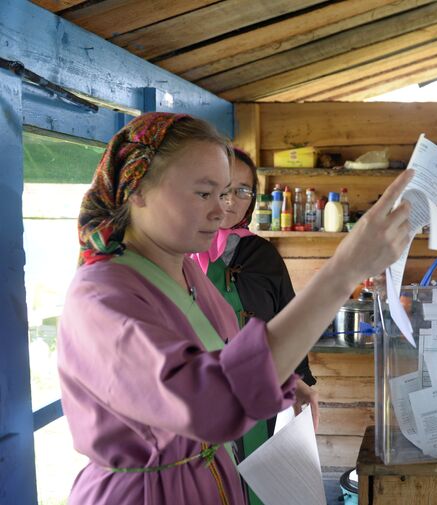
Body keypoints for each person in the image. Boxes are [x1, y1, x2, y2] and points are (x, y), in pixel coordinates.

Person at [58, 112, 412, 504]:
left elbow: (222, 355)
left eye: (225, 193)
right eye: (203, 193)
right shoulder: (103, 296)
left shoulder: (187, 272)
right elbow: (207, 403)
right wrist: (343, 272)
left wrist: (284, 379)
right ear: (136, 189)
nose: (221, 210)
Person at [192, 148, 317, 505]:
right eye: (222, 188)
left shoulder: (262, 255)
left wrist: (301, 381)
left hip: (257, 396)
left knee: (256, 484)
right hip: (194, 402)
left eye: (243, 190)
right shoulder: (176, 254)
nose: (231, 201)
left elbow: (288, 318)